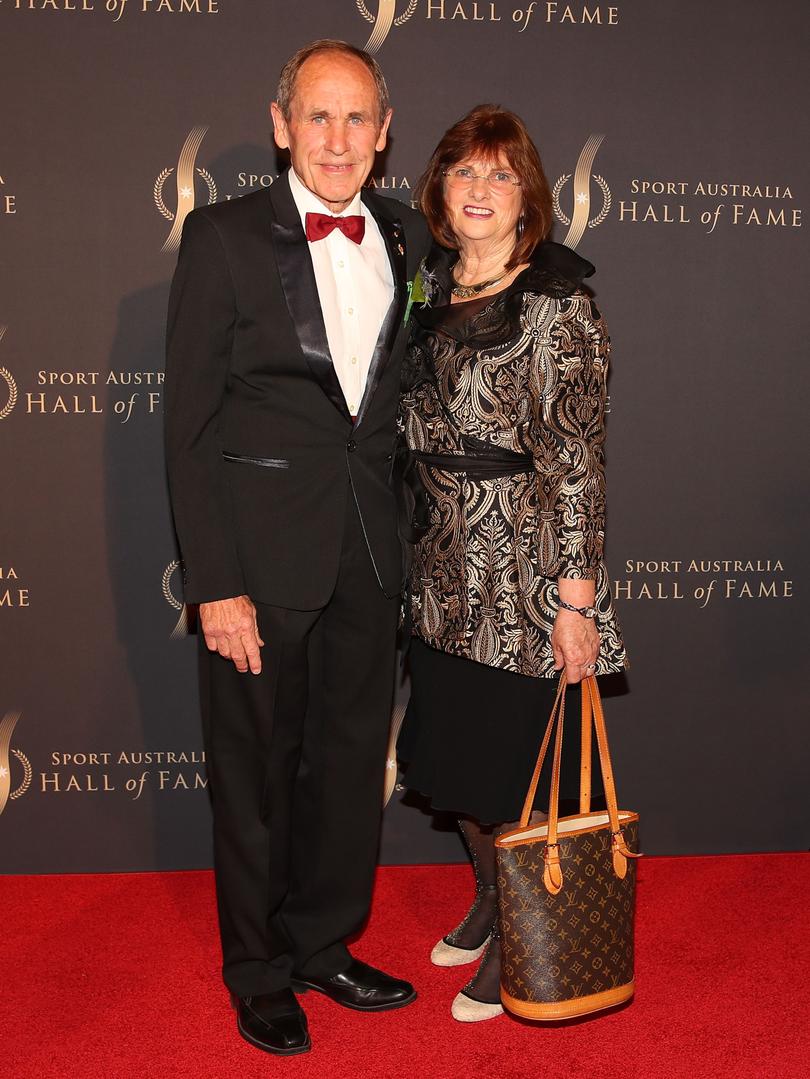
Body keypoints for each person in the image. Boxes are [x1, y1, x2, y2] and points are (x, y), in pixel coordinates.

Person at [164, 40, 430, 1056]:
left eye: (356, 118)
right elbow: (186, 429)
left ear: (384, 130)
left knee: (349, 762)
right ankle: (260, 970)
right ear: (281, 126)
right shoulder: (224, 239)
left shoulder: (405, 236)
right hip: (260, 568)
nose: (337, 138)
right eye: (317, 117)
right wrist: (216, 584)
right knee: (256, 773)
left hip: (371, 554)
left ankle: (324, 942)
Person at [397, 104, 628, 1022]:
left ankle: (529, 938)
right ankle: (495, 898)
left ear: (527, 193)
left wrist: (575, 601)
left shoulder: (557, 302)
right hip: (436, 572)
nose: (481, 190)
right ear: (440, 193)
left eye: (500, 174)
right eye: (465, 173)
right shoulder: (429, 288)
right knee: (454, 772)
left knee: (513, 782)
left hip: (522, 582)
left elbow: (577, 461)